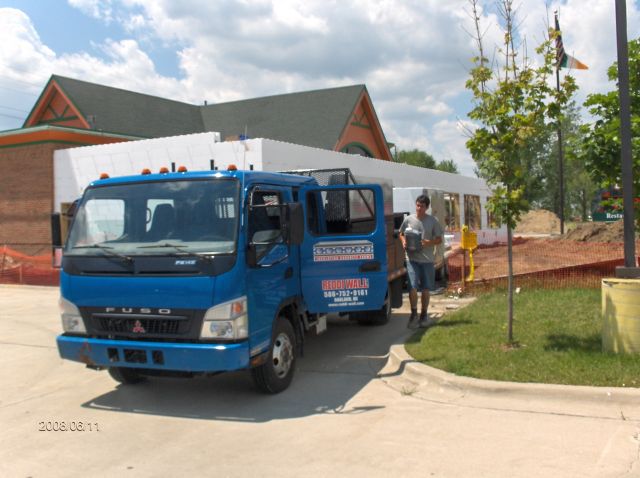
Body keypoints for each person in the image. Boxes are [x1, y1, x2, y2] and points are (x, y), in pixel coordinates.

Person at [399, 194, 443, 329]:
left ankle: (424, 314)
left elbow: (439, 239)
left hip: (427, 260)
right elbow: (401, 233)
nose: (419, 208)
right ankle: (413, 313)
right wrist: (404, 241)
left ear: (427, 207)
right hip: (412, 259)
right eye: (417, 205)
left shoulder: (432, 221)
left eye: (422, 206)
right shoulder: (408, 220)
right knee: (412, 286)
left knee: (425, 288)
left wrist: (428, 242)